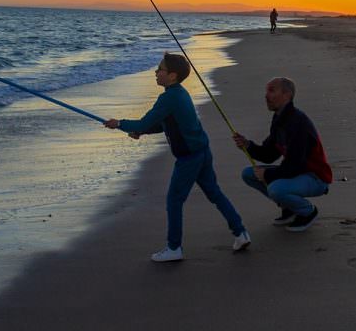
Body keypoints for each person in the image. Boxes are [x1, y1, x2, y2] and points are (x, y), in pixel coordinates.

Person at [104, 52, 250, 262]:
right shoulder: (178, 94)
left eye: (160, 69)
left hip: (189, 157)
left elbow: (145, 122)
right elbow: (165, 123)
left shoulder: (169, 97)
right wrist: (142, 131)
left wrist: (119, 123)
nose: (156, 72)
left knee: (174, 200)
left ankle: (174, 248)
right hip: (202, 150)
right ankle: (240, 232)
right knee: (214, 193)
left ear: (172, 76)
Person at [232, 77, 332, 232]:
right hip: (297, 173)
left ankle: (308, 212)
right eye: (266, 91)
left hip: (316, 177)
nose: (266, 95)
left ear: (287, 95)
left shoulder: (298, 122)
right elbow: (269, 155)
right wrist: (248, 145)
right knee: (249, 174)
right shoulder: (280, 118)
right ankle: (290, 208)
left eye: (271, 91)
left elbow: (295, 165)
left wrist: (268, 173)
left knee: (275, 188)